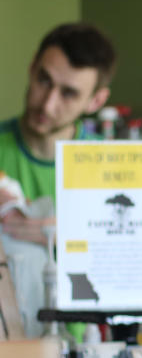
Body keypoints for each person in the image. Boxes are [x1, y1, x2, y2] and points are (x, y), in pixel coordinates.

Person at [0, 22, 116, 335]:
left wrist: (68, 240)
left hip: (78, 346)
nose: (48, 103)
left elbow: (127, 268)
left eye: (69, 93)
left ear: (95, 101)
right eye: (43, 80)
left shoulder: (111, 168)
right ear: (31, 69)